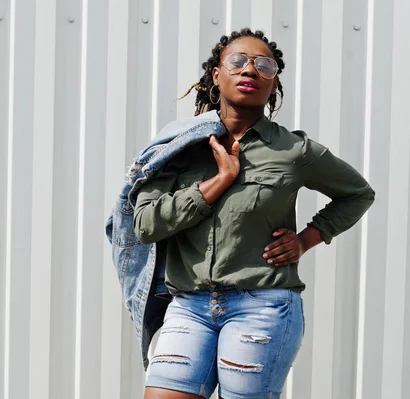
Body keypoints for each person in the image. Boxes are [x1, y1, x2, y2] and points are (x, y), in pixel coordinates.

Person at [128, 28, 375, 399]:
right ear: (216, 75)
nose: (250, 71)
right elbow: (146, 225)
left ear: (273, 84)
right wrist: (221, 179)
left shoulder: (293, 150)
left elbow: (357, 193)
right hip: (189, 306)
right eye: (238, 62)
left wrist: (306, 239)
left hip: (263, 306)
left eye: (264, 65)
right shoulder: (178, 147)